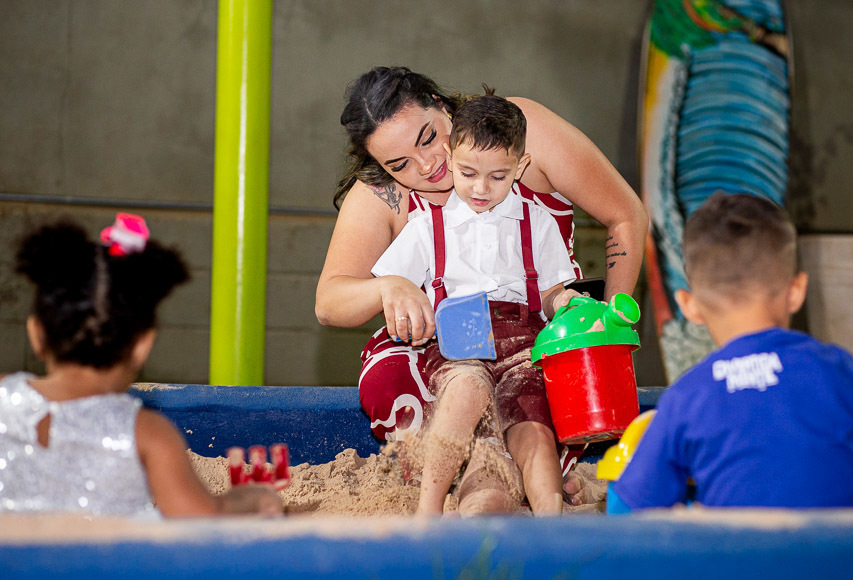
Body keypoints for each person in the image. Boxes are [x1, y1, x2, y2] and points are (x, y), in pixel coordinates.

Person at [316, 67, 648, 494]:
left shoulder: (523, 129)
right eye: (400, 164)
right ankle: (481, 471)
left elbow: (625, 215)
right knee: (389, 371)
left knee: (539, 390)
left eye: (429, 137)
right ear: (379, 166)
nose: (429, 163)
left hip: (539, 334)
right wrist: (387, 286)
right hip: (446, 350)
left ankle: (505, 471)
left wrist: (607, 329)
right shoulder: (382, 194)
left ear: (441, 105)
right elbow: (329, 301)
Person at [613, 193, 853, 510]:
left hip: (741, 556)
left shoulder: (685, 398)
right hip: (846, 556)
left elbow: (632, 504)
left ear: (689, 306)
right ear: (796, 291)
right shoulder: (836, 370)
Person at [372, 94, 582, 515]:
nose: (481, 188)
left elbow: (552, 292)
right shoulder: (427, 226)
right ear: (450, 158)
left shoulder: (536, 222)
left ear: (520, 168)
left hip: (524, 344)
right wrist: (399, 296)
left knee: (534, 431)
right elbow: (389, 285)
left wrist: (567, 301)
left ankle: (554, 527)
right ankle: (428, 514)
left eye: (498, 176)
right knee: (464, 390)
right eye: (468, 173)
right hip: (457, 342)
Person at [1, 217, 283, 518]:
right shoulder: (148, 434)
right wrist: (255, 500)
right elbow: (201, 518)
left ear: (36, 334)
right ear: (142, 346)